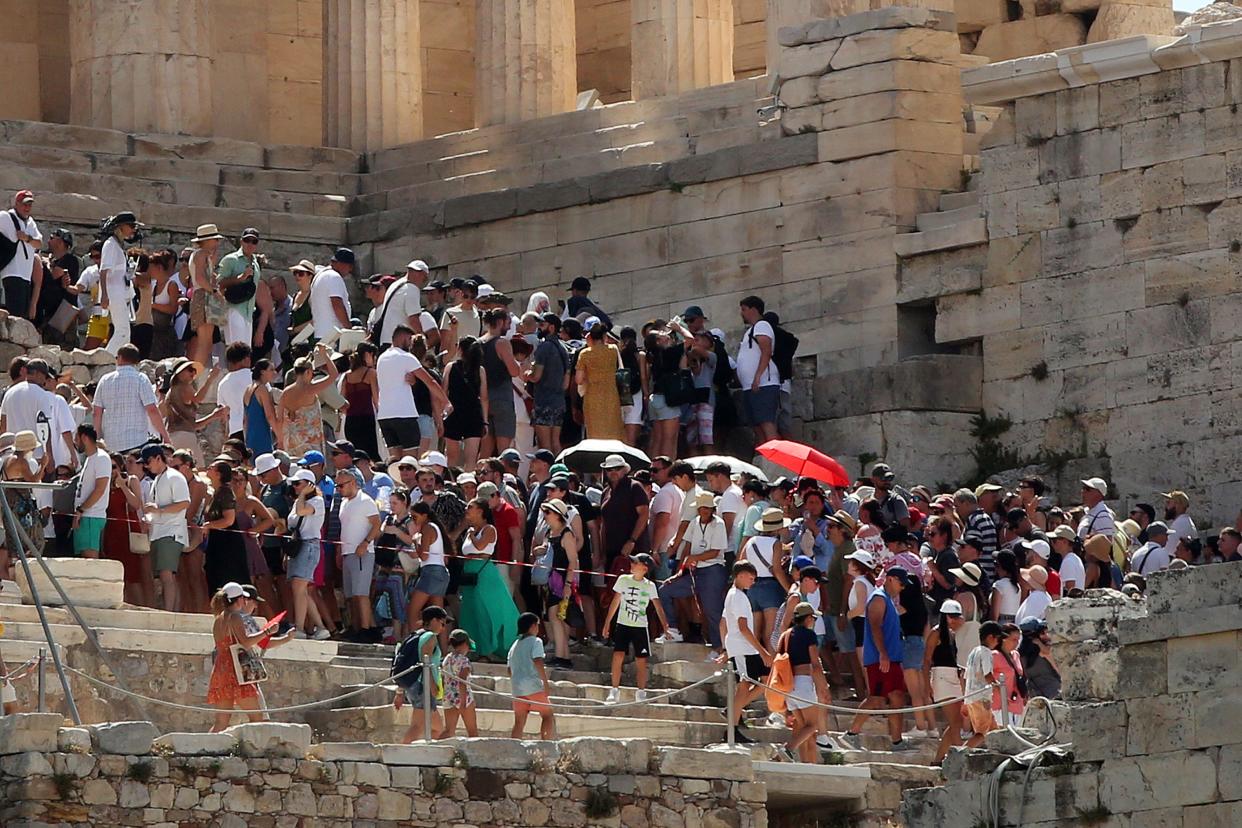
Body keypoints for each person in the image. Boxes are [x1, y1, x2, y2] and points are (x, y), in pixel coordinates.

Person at [840, 549, 914, 751]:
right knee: (876, 699)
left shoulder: (887, 600)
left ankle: (896, 740)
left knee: (897, 697)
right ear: (891, 579)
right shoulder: (879, 598)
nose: (903, 587)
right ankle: (852, 733)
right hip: (882, 659)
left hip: (891, 658)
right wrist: (882, 653)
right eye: (901, 583)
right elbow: (874, 626)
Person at [207, 583, 291, 731]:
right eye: (243, 599)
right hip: (236, 672)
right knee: (257, 717)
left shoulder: (218, 620)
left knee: (221, 721)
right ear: (238, 600)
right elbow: (245, 642)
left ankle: (208, 748)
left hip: (221, 670)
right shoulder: (235, 617)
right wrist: (267, 632)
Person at [658, 491, 729, 659]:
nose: (704, 510)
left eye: (707, 507)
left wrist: (694, 558)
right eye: (701, 507)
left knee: (712, 610)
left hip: (713, 570)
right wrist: (680, 571)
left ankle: (720, 648)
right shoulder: (694, 523)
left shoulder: (719, 524)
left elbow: (715, 552)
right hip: (694, 571)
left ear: (712, 509)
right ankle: (673, 630)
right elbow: (688, 546)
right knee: (665, 590)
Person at [457, 497, 520, 660]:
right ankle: (473, 648)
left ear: (481, 511)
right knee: (469, 611)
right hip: (469, 573)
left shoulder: (489, 529)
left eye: (470, 507)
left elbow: (479, 546)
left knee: (484, 611)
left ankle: (488, 650)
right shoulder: (471, 530)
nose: (467, 510)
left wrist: (471, 534)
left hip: (483, 573)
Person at [601, 552, 668, 703]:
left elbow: (658, 606)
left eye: (635, 563)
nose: (631, 565)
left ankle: (641, 692)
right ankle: (614, 690)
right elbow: (615, 602)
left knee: (641, 660)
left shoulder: (650, 586)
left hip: (640, 626)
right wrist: (607, 623)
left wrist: (665, 626)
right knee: (618, 655)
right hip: (622, 624)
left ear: (645, 568)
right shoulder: (623, 580)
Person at [718, 560, 772, 744]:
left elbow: (724, 623)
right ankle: (732, 726)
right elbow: (742, 627)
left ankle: (733, 709)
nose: (752, 581)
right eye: (750, 577)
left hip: (742, 648)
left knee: (765, 681)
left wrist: (726, 649)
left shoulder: (733, 595)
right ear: (740, 575)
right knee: (744, 684)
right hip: (743, 647)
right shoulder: (738, 597)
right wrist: (762, 651)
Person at [376, 325, 450, 458]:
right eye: (409, 339)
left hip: (385, 416)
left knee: (395, 462)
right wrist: (446, 401)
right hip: (404, 414)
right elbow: (430, 382)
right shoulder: (407, 357)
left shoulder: (382, 358)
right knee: (411, 460)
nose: (411, 343)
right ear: (403, 338)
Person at [778, 601, 832, 763]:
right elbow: (815, 664)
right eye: (813, 618)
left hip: (788, 685)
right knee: (813, 725)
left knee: (803, 728)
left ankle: (806, 763)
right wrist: (823, 687)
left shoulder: (785, 635)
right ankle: (787, 749)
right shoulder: (809, 635)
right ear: (808, 618)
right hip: (803, 683)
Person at [92, 344, 171, 452]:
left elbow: (97, 412)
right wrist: (165, 436)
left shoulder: (105, 380)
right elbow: (152, 410)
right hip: (137, 441)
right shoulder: (141, 379)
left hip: (111, 443)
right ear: (136, 361)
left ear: (119, 358)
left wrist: (97, 438)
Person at [141, 444, 190, 613]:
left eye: (148, 462)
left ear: (157, 458)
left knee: (167, 574)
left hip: (171, 531)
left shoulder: (174, 477)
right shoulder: (157, 480)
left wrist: (159, 510)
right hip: (158, 532)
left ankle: (169, 612)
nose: (147, 466)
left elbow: (184, 503)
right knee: (162, 576)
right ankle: (169, 610)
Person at [335, 467, 382, 642]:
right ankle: (356, 627)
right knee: (351, 595)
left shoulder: (365, 501)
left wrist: (365, 542)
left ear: (353, 483)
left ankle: (365, 629)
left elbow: (377, 524)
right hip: (348, 552)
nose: (339, 489)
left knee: (361, 593)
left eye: (341, 485)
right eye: (337, 486)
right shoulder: (345, 503)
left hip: (362, 552)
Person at [286, 468, 331, 640]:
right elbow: (292, 523)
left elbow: (301, 512)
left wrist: (303, 495)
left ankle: (299, 628)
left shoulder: (317, 502)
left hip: (309, 546)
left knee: (299, 587)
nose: (295, 487)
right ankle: (320, 627)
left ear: (309, 485)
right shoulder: (299, 500)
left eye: (298, 484)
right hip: (298, 546)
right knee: (301, 590)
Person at [537, 498, 581, 669]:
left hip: (562, 581)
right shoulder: (549, 533)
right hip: (550, 580)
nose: (545, 516)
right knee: (556, 618)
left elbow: (572, 560)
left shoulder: (566, 533)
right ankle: (562, 656)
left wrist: (568, 585)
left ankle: (562, 657)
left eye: (548, 512)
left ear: (557, 515)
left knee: (557, 617)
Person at [739, 507, 791, 649]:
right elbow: (777, 570)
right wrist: (789, 589)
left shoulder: (751, 542)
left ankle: (753, 666)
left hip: (752, 587)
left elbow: (741, 562)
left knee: (754, 633)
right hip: (770, 588)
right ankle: (771, 668)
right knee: (771, 634)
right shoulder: (776, 544)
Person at [394, 605, 448, 743]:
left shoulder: (414, 636)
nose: (443, 627)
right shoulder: (430, 637)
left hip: (411, 684)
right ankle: (400, 755)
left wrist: (399, 692)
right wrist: (432, 686)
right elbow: (426, 663)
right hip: (421, 686)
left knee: (437, 728)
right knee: (418, 726)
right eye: (442, 623)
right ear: (434, 620)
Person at [925, 599, 967, 766]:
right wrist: (927, 684)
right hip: (941, 678)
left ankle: (937, 760)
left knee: (956, 722)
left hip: (953, 678)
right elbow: (927, 660)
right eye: (953, 617)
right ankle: (961, 759)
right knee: (955, 722)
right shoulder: (936, 633)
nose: (957, 620)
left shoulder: (952, 634)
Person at [279, 346, 339, 461]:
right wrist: (324, 355)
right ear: (307, 372)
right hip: (310, 440)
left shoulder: (285, 392)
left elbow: (280, 418)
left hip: (291, 440)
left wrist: (281, 441)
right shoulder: (310, 389)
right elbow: (333, 375)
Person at [162, 358, 225, 465]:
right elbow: (198, 398)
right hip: (185, 437)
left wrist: (214, 416)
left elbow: (193, 425)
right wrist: (210, 379)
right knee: (198, 470)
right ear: (179, 373)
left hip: (173, 436)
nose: (193, 372)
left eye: (193, 370)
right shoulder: (184, 386)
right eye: (189, 369)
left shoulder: (172, 391)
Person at [442, 336, 487, 469]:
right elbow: (484, 397)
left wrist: (441, 415)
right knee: (471, 459)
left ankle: (450, 482)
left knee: (451, 457)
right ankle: (469, 484)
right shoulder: (480, 370)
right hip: (473, 415)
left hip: (454, 414)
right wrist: (485, 421)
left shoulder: (451, 367)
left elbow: (443, 392)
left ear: (460, 349)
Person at [508, 611, 555, 739]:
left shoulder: (514, 645)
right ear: (533, 626)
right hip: (532, 685)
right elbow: (538, 661)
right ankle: (547, 744)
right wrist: (545, 683)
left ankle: (514, 747)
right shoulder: (536, 641)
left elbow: (509, 669)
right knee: (547, 714)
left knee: (519, 721)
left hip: (517, 687)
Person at [527, 313, 569, 453]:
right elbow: (566, 383)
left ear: (551, 327)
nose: (539, 328)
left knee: (544, 447)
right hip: (559, 402)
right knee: (556, 443)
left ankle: (548, 474)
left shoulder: (544, 348)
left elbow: (536, 376)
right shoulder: (563, 349)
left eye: (542, 325)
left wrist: (527, 374)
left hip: (543, 402)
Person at [575, 322, 624, 440]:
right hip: (611, 395)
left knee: (595, 432)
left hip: (592, 397)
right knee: (613, 430)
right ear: (604, 336)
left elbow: (579, 380)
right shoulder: (613, 350)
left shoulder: (585, 354)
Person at [405, 501, 450, 629]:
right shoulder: (434, 527)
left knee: (412, 611)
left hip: (431, 573)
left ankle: (414, 644)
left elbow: (424, 555)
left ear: (424, 515)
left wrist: (415, 541)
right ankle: (442, 648)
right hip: (441, 574)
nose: (413, 520)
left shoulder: (427, 528)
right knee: (439, 618)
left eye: (415, 516)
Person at [1, 190, 43, 317]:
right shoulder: (6, 217)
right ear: (17, 204)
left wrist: (27, 238)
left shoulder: (30, 222)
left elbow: (39, 243)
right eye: (24, 204)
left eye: (29, 205)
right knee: (15, 315)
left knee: (22, 316)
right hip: (12, 272)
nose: (27, 208)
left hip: (25, 275)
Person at [72, 424, 111, 559]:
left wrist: (81, 510)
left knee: (91, 562)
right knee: (84, 562)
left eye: (76, 438)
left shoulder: (102, 458)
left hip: (91, 516)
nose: (75, 442)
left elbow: (100, 489)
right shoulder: (90, 459)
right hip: (85, 516)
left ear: (84, 437)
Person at [962, 621, 1003, 746]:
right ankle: (957, 755)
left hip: (970, 697)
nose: (998, 642)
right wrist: (999, 688)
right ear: (991, 637)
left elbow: (965, 676)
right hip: (981, 698)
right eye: (998, 639)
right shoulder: (986, 652)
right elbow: (988, 675)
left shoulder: (974, 652)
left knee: (993, 730)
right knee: (981, 733)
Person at [338, 342, 380, 461]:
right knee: (371, 453)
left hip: (351, 420)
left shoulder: (346, 376)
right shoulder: (371, 373)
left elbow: (342, 402)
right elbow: (376, 399)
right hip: (366, 419)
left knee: (355, 455)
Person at [441, 628, 479, 737]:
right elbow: (462, 681)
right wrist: (462, 702)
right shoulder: (464, 660)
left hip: (448, 695)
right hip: (463, 697)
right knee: (472, 731)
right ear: (464, 643)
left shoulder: (447, 658)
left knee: (448, 730)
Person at [309, 249, 353, 340]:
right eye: (350, 266)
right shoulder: (334, 277)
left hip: (320, 333)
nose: (350, 270)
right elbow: (337, 304)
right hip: (332, 335)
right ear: (343, 264)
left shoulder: (320, 276)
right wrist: (348, 327)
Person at [217, 342, 254, 441]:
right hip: (255, 427)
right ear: (246, 359)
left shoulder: (223, 383)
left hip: (234, 431)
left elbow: (223, 413)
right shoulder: (255, 378)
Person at [243, 360, 281, 456]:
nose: (275, 372)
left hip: (250, 435)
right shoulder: (262, 389)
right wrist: (280, 437)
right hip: (262, 435)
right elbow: (270, 416)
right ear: (262, 372)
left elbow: (245, 419)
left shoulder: (248, 388)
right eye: (271, 370)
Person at [1017, 618, 1061, 700]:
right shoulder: (1043, 649)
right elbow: (1058, 669)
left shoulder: (1020, 652)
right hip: (1053, 690)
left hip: (1035, 693)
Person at [992, 623, 1025, 725]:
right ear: (1004, 639)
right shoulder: (994, 655)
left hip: (1017, 704)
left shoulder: (1016, 655)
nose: (1017, 643)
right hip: (1000, 704)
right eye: (1014, 640)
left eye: (1018, 640)